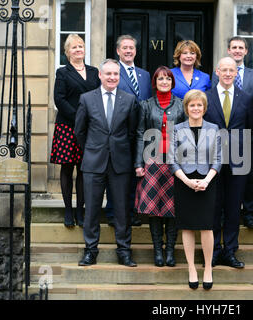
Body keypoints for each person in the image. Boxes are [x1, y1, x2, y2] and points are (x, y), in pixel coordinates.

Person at [75, 59, 138, 267]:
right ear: (100, 76)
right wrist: (93, 149)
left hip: (120, 163)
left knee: (122, 209)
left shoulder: (129, 100)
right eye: (108, 74)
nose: (112, 77)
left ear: (120, 77)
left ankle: (124, 250)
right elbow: (79, 132)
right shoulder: (86, 99)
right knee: (92, 209)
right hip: (93, 162)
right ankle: (90, 251)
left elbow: (131, 133)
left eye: (116, 74)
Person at [204, 57, 253, 269]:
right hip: (211, 160)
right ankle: (214, 250)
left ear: (236, 73)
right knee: (214, 206)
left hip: (238, 160)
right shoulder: (206, 97)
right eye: (223, 70)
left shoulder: (245, 98)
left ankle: (230, 250)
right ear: (217, 71)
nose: (227, 73)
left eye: (231, 70)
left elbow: (249, 129)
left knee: (234, 207)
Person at [169, 89, 221, 290]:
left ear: (205, 108)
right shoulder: (177, 129)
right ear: (186, 108)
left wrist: (206, 181)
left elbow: (218, 159)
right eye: (192, 105)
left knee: (207, 226)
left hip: (208, 181)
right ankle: (191, 268)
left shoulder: (214, 128)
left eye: (199, 105)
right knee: (188, 226)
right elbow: (172, 160)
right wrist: (187, 181)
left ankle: (208, 268)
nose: (196, 108)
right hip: (184, 181)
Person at [134, 66, 186, 267]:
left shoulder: (181, 106)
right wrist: (138, 162)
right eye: (160, 79)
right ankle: (158, 251)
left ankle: (170, 250)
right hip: (152, 161)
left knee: (173, 208)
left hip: (176, 162)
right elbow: (140, 133)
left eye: (168, 79)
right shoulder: (146, 105)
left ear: (173, 83)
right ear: (154, 83)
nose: (164, 82)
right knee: (154, 209)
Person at [211, 36, 253, 229]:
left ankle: (249, 213)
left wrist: (245, 113)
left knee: (246, 182)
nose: (237, 50)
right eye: (234, 47)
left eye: (241, 47)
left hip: (242, 139)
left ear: (246, 51)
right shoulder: (215, 80)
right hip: (218, 144)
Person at [51, 34, 100, 228]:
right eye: (74, 47)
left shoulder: (94, 71)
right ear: (67, 52)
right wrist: (78, 117)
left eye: (81, 46)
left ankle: (81, 210)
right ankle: (68, 211)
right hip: (67, 126)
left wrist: (89, 120)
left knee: (83, 170)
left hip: (88, 127)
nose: (78, 50)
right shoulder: (63, 72)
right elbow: (59, 99)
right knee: (67, 168)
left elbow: (97, 96)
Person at [106, 34, 153, 227]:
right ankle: (112, 213)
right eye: (124, 48)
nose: (128, 51)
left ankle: (132, 212)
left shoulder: (145, 75)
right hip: (120, 132)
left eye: (131, 48)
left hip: (140, 132)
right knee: (116, 173)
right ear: (118, 51)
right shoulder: (114, 73)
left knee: (137, 173)